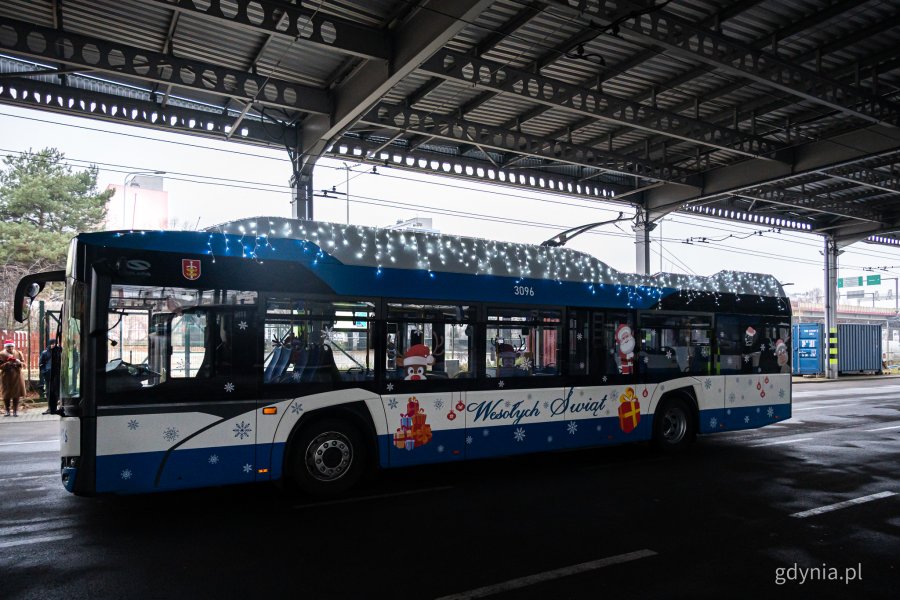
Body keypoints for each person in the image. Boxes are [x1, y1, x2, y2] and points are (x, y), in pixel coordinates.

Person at [0, 340, 27, 417]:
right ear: (5, 347)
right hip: (6, 377)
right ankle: (7, 411)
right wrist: (7, 364)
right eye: (9, 346)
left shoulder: (18, 353)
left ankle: (15, 411)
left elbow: (24, 364)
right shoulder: (1, 354)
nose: (10, 348)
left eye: (12, 346)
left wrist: (19, 363)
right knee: (6, 394)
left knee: (16, 394)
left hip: (17, 376)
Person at [39, 339, 56, 404]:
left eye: (55, 343)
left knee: (56, 389)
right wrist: (44, 372)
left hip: (57, 373)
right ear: (50, 344)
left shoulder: (58, 352)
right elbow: (41, 364)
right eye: (52, 343)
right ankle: (50, 404)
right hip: (48, 373)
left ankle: (55, 403)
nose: (54, 345)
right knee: (48, 389)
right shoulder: (45, 353)